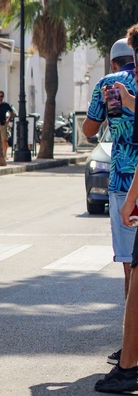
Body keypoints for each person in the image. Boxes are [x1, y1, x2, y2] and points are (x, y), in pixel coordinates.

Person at [94, 31, 138, 394]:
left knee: (132, 267)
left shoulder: (109, 84)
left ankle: (131, 355)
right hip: (131, 181)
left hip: (125, 179)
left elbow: (90, 127)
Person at [0, 91, 16, 157]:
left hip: (3, 124)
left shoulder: (6, 105)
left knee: (4, 140)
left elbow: (12, 112)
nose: (0, 98)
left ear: (3, 97)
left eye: (1, 96)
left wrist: (8, 120)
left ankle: (4, 155)